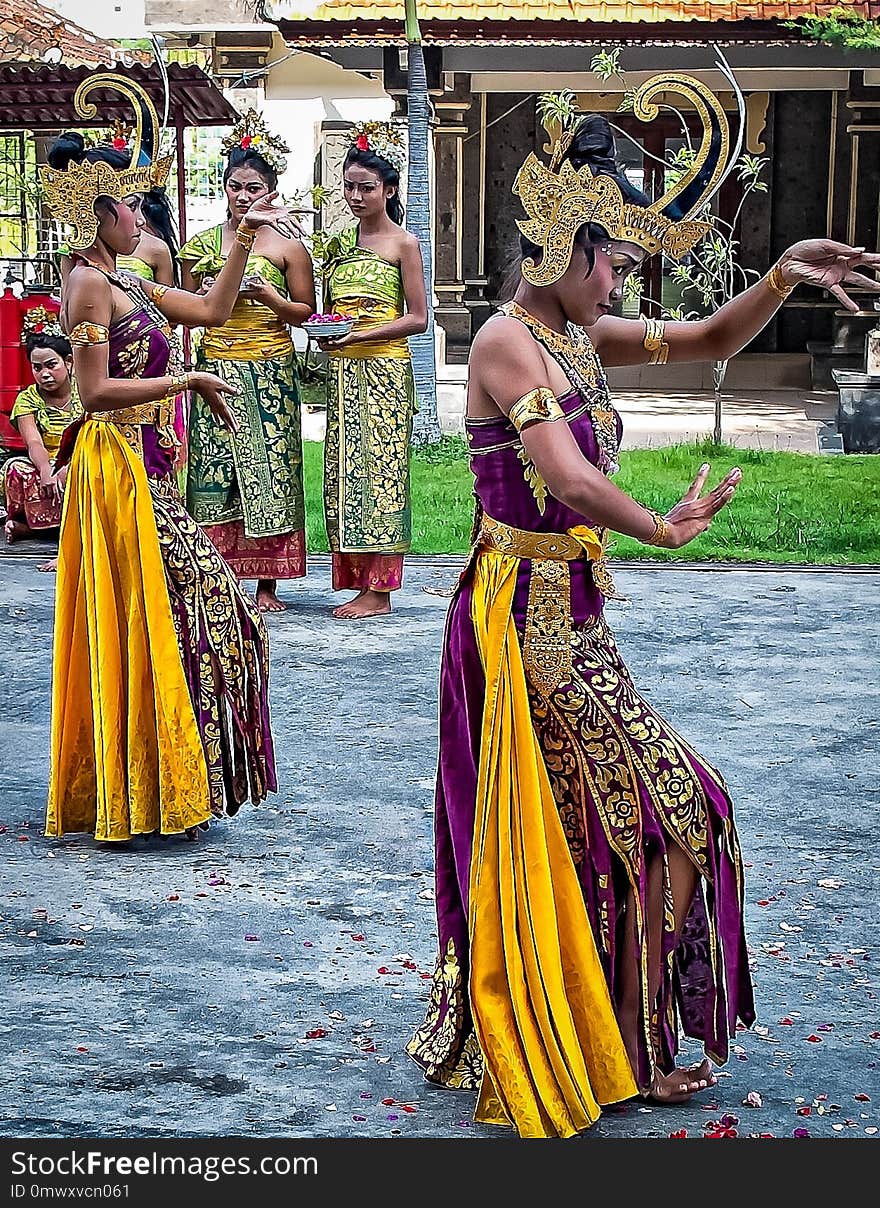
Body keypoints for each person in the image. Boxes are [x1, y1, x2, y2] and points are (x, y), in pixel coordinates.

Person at [407, 73, 880, 1137]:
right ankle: (607, 1042)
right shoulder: (504, 341)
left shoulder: (580, 336)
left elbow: (711, 338)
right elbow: (568, 482)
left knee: (640, 818)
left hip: (574, 617)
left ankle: (612, 1034)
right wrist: (659, 526)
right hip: (520, 621)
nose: (622, 279)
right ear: (565, 249)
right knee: (669, 811)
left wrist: (779, 274)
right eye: (615, 259)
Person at [38, 77, 300, 844]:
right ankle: (145, 781)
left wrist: (246, 231)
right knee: (209, 607)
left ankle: (163, 777)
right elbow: (91, 393)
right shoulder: (88, 285)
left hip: (149, 466)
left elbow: (215, 311)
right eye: (131, 206)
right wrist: (185, 379)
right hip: (115, 467)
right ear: (100, 213)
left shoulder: (127, 277)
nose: (144, 218)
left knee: (182, 616)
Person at [179, 110, 315, 613]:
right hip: (215, 365)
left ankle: (266, 584)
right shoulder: (202, 245)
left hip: (270, 370)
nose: (242, 196)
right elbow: (184, 304)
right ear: (223, 189)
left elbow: (306, 311)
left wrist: (270, 301)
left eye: (253, 187)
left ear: (271, 190)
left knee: (271, 473)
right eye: (234, 187)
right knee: (214, 475)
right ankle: (217, 577)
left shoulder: (288, 246)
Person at [317, 120, 428, 619]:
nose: (356, 195)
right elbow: (325, 310)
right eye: (349, 186)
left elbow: (418, 317)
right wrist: (329, 335)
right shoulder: (338, 245)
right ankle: (357, 577)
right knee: (345, 474)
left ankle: (380, 591)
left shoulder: (403, 243)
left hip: (383, 370)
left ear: (389, 189)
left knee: (382, 475)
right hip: (344, 371)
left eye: (366, 187)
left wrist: (362, 335)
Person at [1, 317, 82, 571]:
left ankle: (70, 541)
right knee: (14, 468)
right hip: (45, 463)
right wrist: (47, 470)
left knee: (83, 475)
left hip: (81, 458)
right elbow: (33, 441)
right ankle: (31, 526)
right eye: (37, 368)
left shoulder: (86, 390)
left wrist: (68, 468)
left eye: (51, 365)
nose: (44, 374)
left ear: (68, 363)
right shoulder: (27, 399)